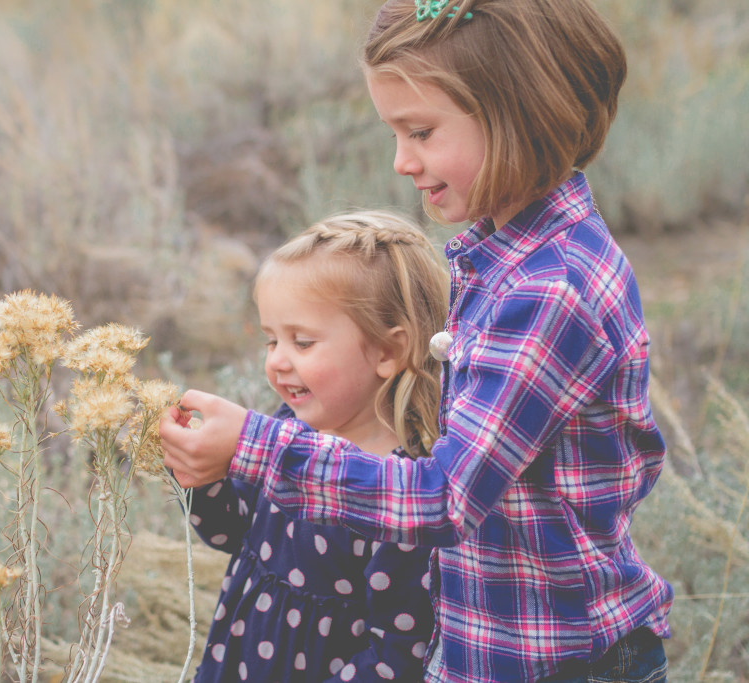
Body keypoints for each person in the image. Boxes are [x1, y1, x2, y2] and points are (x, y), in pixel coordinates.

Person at [161, 2, 673, 682]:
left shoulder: (549, 291)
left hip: (562, 662)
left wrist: (254, 444)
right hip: (494, 653)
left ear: (515, 112)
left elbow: (443, 497)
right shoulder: (505, 260)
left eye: (421, 132)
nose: (402, 161)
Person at [184, 210, 447, 682]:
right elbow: (230, 534)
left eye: (302, 342)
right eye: (270, 341)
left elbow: (396, 658)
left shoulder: (404, 494)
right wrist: (201, 476)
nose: (277, 362)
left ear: (388, 351)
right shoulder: (287, 432)